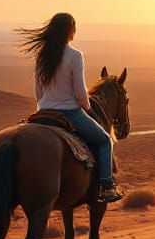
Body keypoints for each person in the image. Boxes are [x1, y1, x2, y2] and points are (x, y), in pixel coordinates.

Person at [19, 13, 123, 203]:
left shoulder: (42, 55)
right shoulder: (75, 55)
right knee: (105, 141)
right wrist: (88, 109)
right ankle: (107, 186)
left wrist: (44, 106)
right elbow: (81, 93)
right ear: (70, 31)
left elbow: (38, 90)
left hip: (43, 111)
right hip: (70, 113)